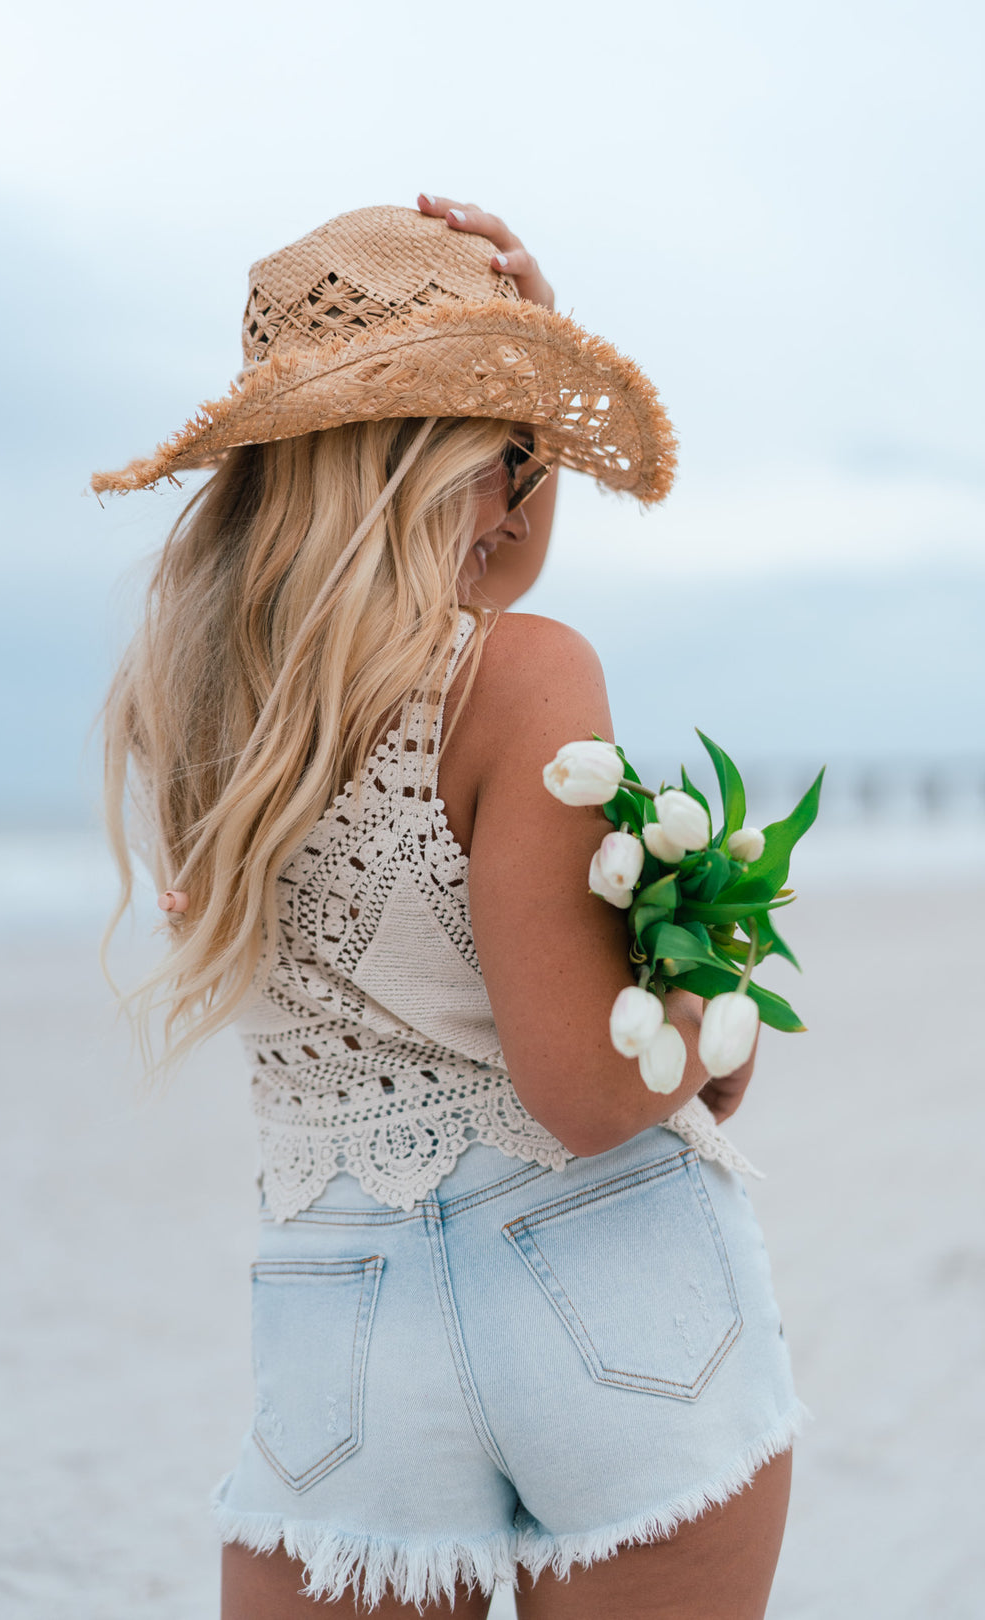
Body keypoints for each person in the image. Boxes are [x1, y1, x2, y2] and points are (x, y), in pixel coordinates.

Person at [95, 195, 809, 1620]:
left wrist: (514, 405)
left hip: (341, 1327)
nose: (522, 496)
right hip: (607, 1294)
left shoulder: (203, 715)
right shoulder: (519, 677)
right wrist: (711, 1008)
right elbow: (586, 1094)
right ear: (462, 464)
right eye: (515, 454)